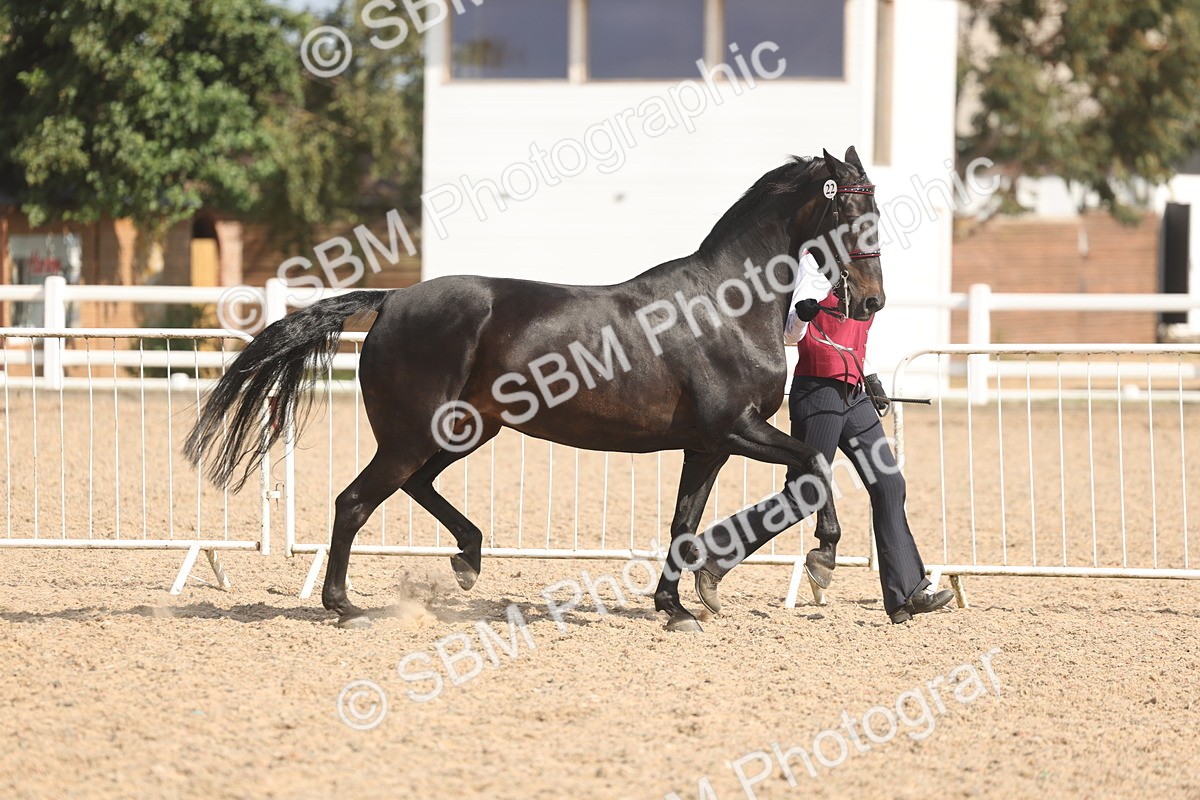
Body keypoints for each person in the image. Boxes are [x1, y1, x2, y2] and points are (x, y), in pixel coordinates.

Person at [691, 252, 954, 624]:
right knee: (805, 495)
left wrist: (873, 376)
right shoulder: (810, 271)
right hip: (817, 392)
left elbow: (860, 330)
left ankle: (907, 593)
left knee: (889, 484)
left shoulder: (865, 272)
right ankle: (714, 553)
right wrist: (802, 314)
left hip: (855, 395)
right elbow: (788, 333)